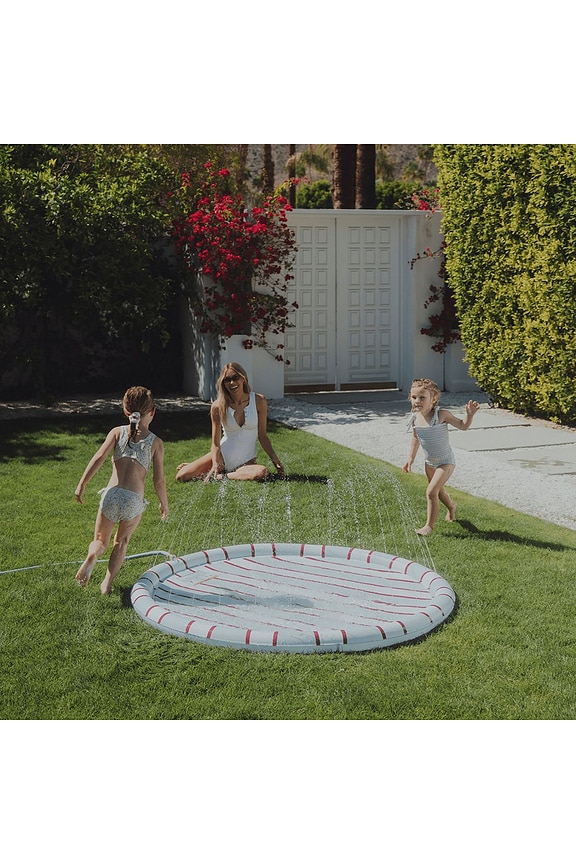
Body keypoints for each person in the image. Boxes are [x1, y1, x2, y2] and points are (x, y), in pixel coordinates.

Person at [74, 386, 169, 594]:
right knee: (122, 541)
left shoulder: (117, 433)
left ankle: (93, 555)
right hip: (133, 500)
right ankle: (106, 584)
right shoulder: (156, 443)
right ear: (152, 412)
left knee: (100, 540)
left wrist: (82, 484)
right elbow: (159, 480)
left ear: (126, 411)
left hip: (112, 494)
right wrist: (164, 503)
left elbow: (98, 457)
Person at [176, 362, 284, 482]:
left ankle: (220, 476)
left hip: (247, 461)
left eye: (235, 378)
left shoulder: (259, 401)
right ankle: (210, 470)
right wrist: (216, 463)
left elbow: (263, 436)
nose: (232, 383)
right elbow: (215, 443)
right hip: (223, 455)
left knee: (261, 473)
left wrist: (274, 459)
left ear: (243, 378)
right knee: (182, 476)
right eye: (227, 380)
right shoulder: (218, 406)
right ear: (223, 383)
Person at [403, 378, 479, 536]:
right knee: (439, 492)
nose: (417, 401)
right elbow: (416, 438)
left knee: (431, 492)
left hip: (445, 462)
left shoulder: (441, 414)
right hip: (429, 463)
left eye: (422, 397)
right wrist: (410, 459)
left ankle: (429, 527)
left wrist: (469, 415)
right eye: (414, 397)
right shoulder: (415, 418)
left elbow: (463, 426)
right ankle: (451, 507)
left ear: (433, 399)